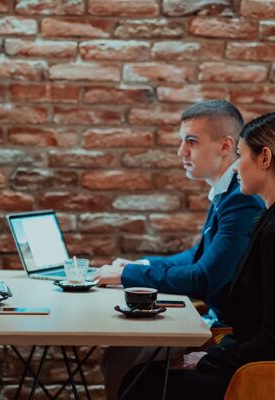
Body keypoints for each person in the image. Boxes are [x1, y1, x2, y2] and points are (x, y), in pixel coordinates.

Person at [119, 112, 275, 400]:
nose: (234, 168)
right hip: (258, 363)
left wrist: (208, 359)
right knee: (143, 378)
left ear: (265, 158)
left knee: (143, 384)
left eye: (240, 155)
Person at [96, 100, 264, 399]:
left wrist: (129, 275)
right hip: (216, 326)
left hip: (228, 335)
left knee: (125, 360)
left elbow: (204, 278)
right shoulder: (227, 194)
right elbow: (196, 256)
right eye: (181, 141)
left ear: (225, 145)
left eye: (192, 141)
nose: (181, 151)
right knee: (119, 355)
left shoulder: (241, 199)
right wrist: (140, 265)